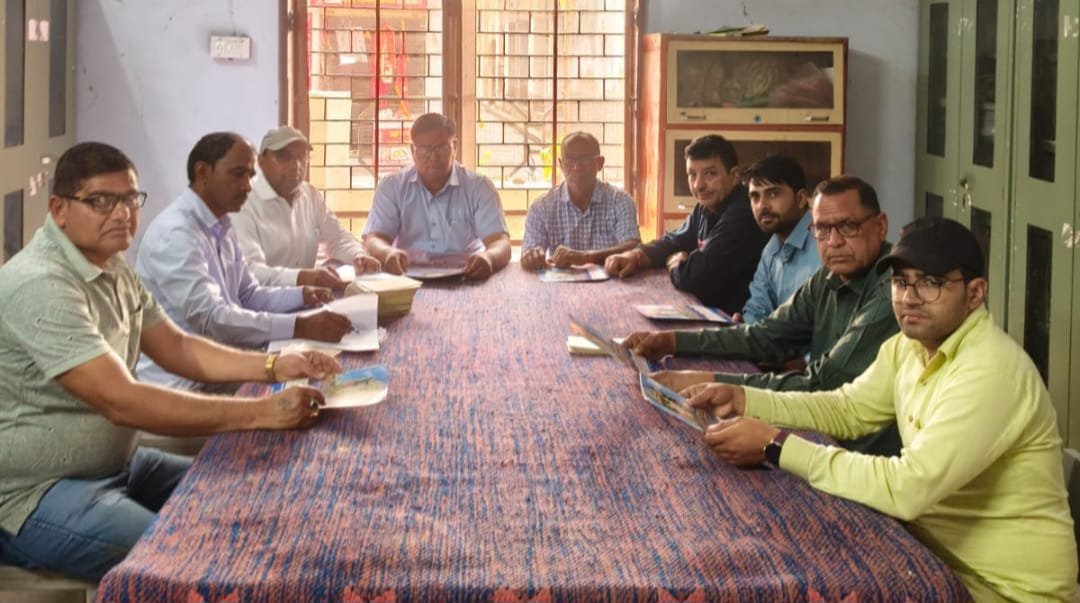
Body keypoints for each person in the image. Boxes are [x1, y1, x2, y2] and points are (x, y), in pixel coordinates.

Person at [684, 217, 1077, 600]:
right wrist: (743, 398)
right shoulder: (908, 346)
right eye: (900, 282)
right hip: (926, 558)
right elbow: (848, 409)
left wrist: (776, 445)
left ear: (975, 294)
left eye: (931, 283)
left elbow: (908, 487)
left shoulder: (991, 369)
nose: (909, 298)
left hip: (1001, 588)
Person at [0, 142, 342, 581]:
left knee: (258, 494)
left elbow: (177, 348)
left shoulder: (111, 266)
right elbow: (122, 401)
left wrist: (275, 367)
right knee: (197, 553)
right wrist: (263, 411)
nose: (122, 214)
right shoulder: (41, 284)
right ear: (59, 209)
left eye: (129, 199)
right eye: (100, 201)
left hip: (121, 465)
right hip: (39, 493)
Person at [627, 176, 901, 456]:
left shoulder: (895, 290)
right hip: (823, 429)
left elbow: (823, 384)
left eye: (848, 226)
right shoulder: (829, 276)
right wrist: (674, 342)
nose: (834, 241)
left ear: (880, 226)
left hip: (867, 456)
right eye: (822, 229)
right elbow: (765, 336)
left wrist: (710, 382)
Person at [136, 132, 353, 389]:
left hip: (229, 362)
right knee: (312, 392)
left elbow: (248, 294)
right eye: (238, 174)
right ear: (202, 172)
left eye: (249, 176)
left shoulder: (221, 223)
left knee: (330, 373)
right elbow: (213, 320)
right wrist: (300, 325)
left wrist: (302, 295)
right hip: (186, 383)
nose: (248, 187)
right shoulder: (177, 233)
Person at [603, 134, 768, 314]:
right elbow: (675, 240)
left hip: (736, 320)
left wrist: (675, 263)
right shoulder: (706, 207)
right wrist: (635, 256)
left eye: (710, 173)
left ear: (734, 176)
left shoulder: (744, 212)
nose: (698, 185)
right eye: (692, 174)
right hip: (708, 309)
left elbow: (694, 277)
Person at [363, 113, 511, 280]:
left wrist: (488, 257)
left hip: (466, 275)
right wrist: (387, 253)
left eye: (441, 148)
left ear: (455, 146)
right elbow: (374, 239)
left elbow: (500, 242)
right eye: (424, 150)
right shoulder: (392, 186)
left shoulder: (479, 187)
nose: (433, 157)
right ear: (412, 151)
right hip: (406, 276)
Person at [232, 125, 381, 289]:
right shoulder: (242, 202)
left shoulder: (310, 195)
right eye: (283, 157)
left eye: (302, 157)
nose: (296, 165)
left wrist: (358, 256)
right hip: (259, 302)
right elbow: (249, 271)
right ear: (260, 162)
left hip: (308, 297)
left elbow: (338, 238)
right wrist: (301, 277)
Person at [519, 131, 640, 270]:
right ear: (561, 164)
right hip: (561, 283)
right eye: (569, 160)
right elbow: (529, 253)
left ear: (599, 163)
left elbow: (633, 247)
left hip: (612, 281)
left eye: (584, 159)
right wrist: (532, 257)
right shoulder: (542, 207)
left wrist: (586, 257)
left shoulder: (620, 201)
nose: (576, 167)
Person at [734, 154, 820, 324]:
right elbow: (757, 309)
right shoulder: (771, 249)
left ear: (801, 198)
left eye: (773, 194)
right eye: (755, 197)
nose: (762, 206)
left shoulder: (824, 243)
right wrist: (744, 327)